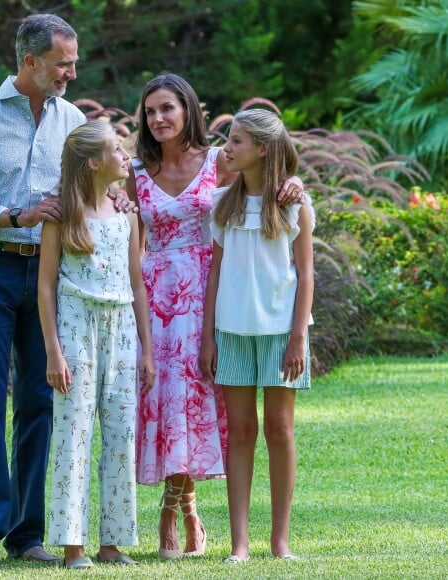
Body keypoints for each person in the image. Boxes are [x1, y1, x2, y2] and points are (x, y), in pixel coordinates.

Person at [0, 14, 131, 570]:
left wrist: (114, 200)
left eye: (73, 62)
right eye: (62, 64)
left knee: (41, 403)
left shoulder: (73, 119)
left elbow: (90, 184)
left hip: (57, 280)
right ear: (30, 62)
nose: (72, 73)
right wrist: (17, 215)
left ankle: (27, 535)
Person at [126, 72, 305, 559]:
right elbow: (124, 227)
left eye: (168, 108)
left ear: (187, 110)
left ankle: (188, 509)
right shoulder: (135, 170)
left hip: (214, 292)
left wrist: (291, 180)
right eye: (150, 111)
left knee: (201, 404)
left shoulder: (219, 162)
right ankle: (175, 505)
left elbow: (259, 185)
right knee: (164, 399)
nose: (158, 118)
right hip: (157, 297)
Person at [37, 120, 156, 569]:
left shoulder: (127, 214)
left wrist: (146, 348)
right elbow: (45, 287)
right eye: (118, 150)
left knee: (122, 434)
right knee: (74, 433)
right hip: (75, 328)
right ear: (93, 162)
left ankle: (113, 543)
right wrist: (53, 350)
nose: (127, 156)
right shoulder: (62, 216)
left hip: (122, 326)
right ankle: (73, 548)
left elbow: (137, 283)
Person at [200, 108, 315, 563]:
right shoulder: (221, 205)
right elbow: (214, 274)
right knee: (241, 431)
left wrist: (298, 339)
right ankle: (240, 544)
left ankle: (280, 542)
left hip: (280, 334)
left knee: (280, 430)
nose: (227, 148)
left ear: (262, 150)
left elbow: (305, 276)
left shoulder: (294, 204)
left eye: (237, 141)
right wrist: (209, 337)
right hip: (232, 332)